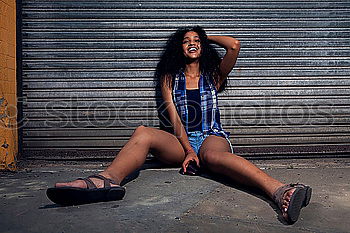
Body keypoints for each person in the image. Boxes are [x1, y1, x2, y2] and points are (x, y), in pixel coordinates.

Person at [47, 26, 312, 224]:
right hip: (181, 139)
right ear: (179, 48)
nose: (192, 43)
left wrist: (203, 38)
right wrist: (188, 150)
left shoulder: (214, 76)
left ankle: (281, 191)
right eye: (186, 41)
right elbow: (173, 118)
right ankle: (106, 180)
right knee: (143, 132)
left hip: (211, 135)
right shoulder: (169, 77)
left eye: (196, 40)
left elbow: (233, 45)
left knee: (213, 155)